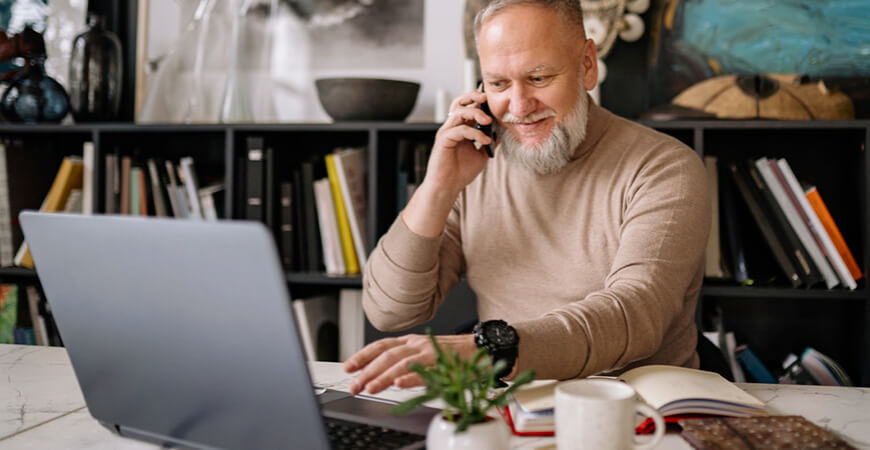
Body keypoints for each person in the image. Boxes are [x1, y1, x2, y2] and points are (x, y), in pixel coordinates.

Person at [344, 0, 710, 395]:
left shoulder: (664, 167)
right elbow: (390, 310)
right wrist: (439, 186)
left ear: (587, 65)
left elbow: (634, 314)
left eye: (538, 78)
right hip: (513, 404)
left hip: (637, 411)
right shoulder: (476, 165)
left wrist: (490, 351)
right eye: (499, 83)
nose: (518, 107)